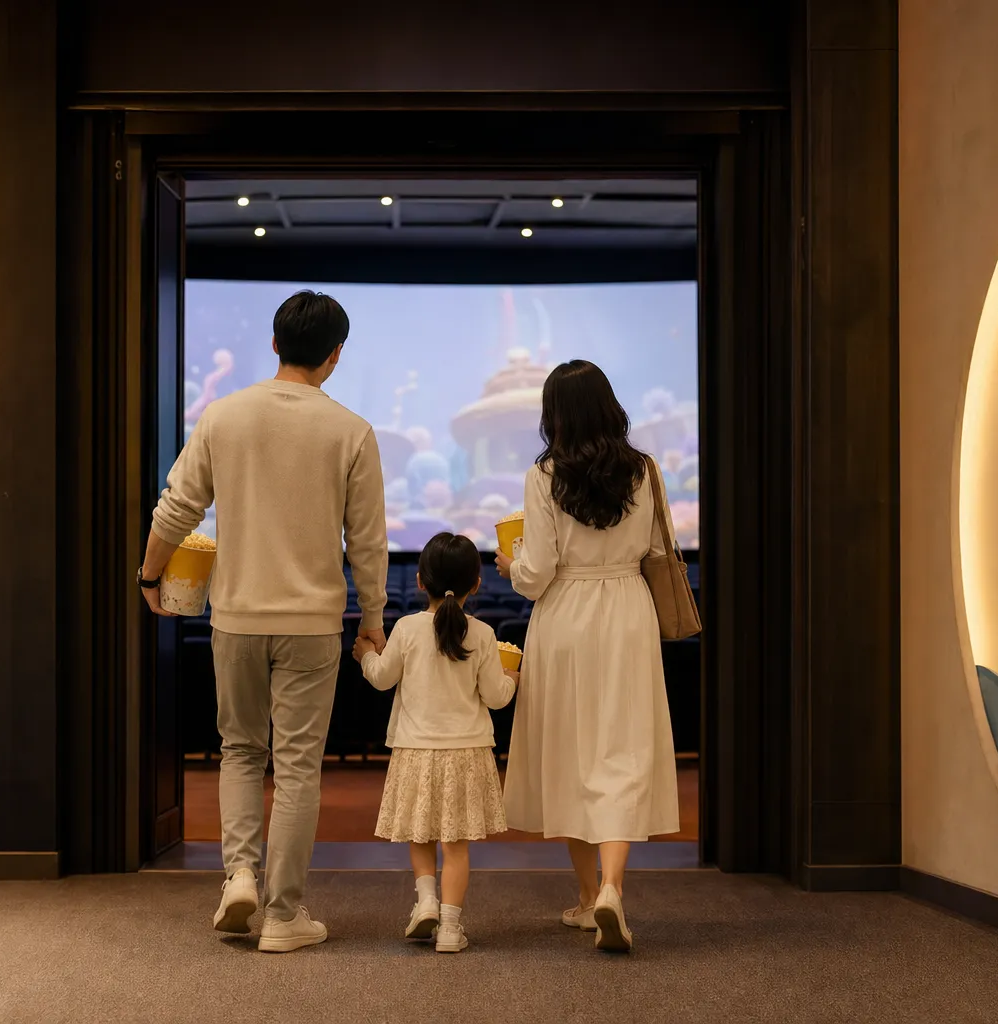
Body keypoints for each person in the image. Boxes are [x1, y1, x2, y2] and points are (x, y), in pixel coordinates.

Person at [139, 290, 388, 953]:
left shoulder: (224, 416)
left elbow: (175, 508)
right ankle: (284, 917)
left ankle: (240, 877)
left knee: (241, 752)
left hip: (238, 616)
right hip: (312, 622)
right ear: (335, 356)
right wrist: (373, 617)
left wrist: (149, 575)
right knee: (299, 768)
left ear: (275, 345)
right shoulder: (352, 430)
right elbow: (367, 544)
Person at [496, 359, 680, 953]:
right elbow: (655, 548)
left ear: (553, 414)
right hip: (628, 610)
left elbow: (539, 569)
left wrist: (510, 567)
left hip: (566, 616)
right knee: (621, 749)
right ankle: (613, 891)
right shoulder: (644, 470)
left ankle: (582, 897)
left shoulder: (544, 474)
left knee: (573, 751)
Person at [354, 532, 518, 954]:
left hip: (415, 751)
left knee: (421, 834)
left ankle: (426, 901)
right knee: (456, 845)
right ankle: (449, 927)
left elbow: (381, 679)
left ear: (421, 583)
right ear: (476, 584)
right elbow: (496, 698)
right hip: (467, 754)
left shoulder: (407, 629)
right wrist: (514, 677)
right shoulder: (482, 634)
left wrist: (365, 657)